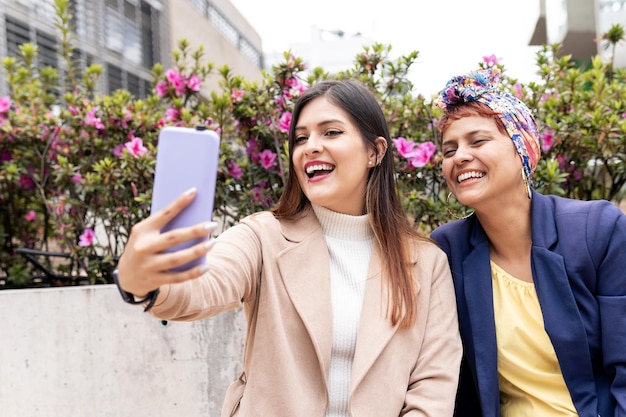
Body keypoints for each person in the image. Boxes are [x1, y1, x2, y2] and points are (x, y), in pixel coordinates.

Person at [115, 79, 462, 417]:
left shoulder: (426, 262)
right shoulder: (263, 236)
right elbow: (201, 287)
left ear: (375, 152)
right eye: (300, 137)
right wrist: (140, 279)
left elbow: (432, 388)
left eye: (331, 132)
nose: (310, 146)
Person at [430, 67, 626, 417]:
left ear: (523, 148)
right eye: (449, 150)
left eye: (478, 141)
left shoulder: (597, 229)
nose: (459, 157)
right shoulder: (447, 250)